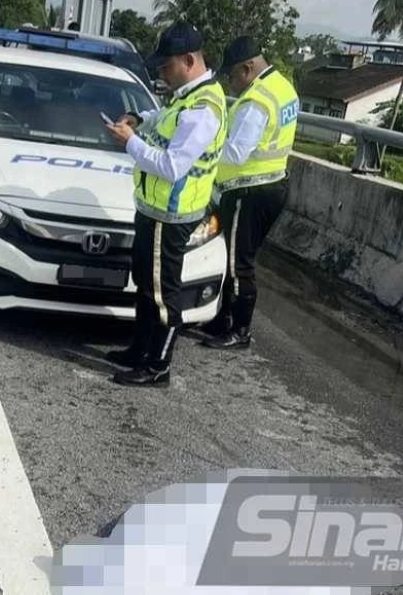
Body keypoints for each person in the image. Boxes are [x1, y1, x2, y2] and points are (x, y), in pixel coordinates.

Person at [102, 22, 228, 387]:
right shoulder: (189, 95)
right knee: (144, 282)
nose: (161, 73)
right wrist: (140, 121)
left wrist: (130, 142)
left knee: (162, 293)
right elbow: (166, 120)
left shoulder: (204, 109)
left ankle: (158, 366)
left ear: (188, 60)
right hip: (153, 210)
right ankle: (139, 349)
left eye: (165, 66)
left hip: (170, 216)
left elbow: (172, 167)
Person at [198, 36, 299, 350]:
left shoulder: (256, 101)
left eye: (232, 75)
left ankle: (239, 330)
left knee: (238, 263)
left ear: (248, 67)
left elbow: (234, 153)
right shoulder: (282, 87)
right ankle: (222, 319)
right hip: (272, 185)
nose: (230, 82)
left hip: (249, 191)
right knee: (235, 257)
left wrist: (203, 148)